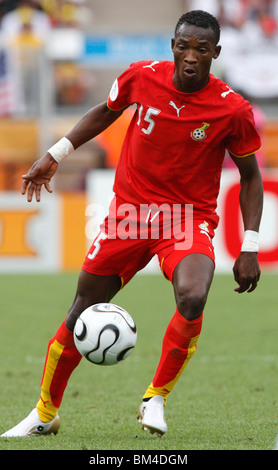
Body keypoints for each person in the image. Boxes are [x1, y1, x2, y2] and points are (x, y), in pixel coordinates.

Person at [1, 10, 263, 438]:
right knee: (80, 310)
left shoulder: (232, 109)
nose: (191, 56)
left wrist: (249, 245)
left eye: (201, 49)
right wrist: (54, 154)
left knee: (194, 294)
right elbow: (104, 113)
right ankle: (44, 413)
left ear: (216, 52)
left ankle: (154, 397)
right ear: (172, 46)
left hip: (187, 219)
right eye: (183, 46)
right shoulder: (141, 77)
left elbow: (250, 176)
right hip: (130, 214)